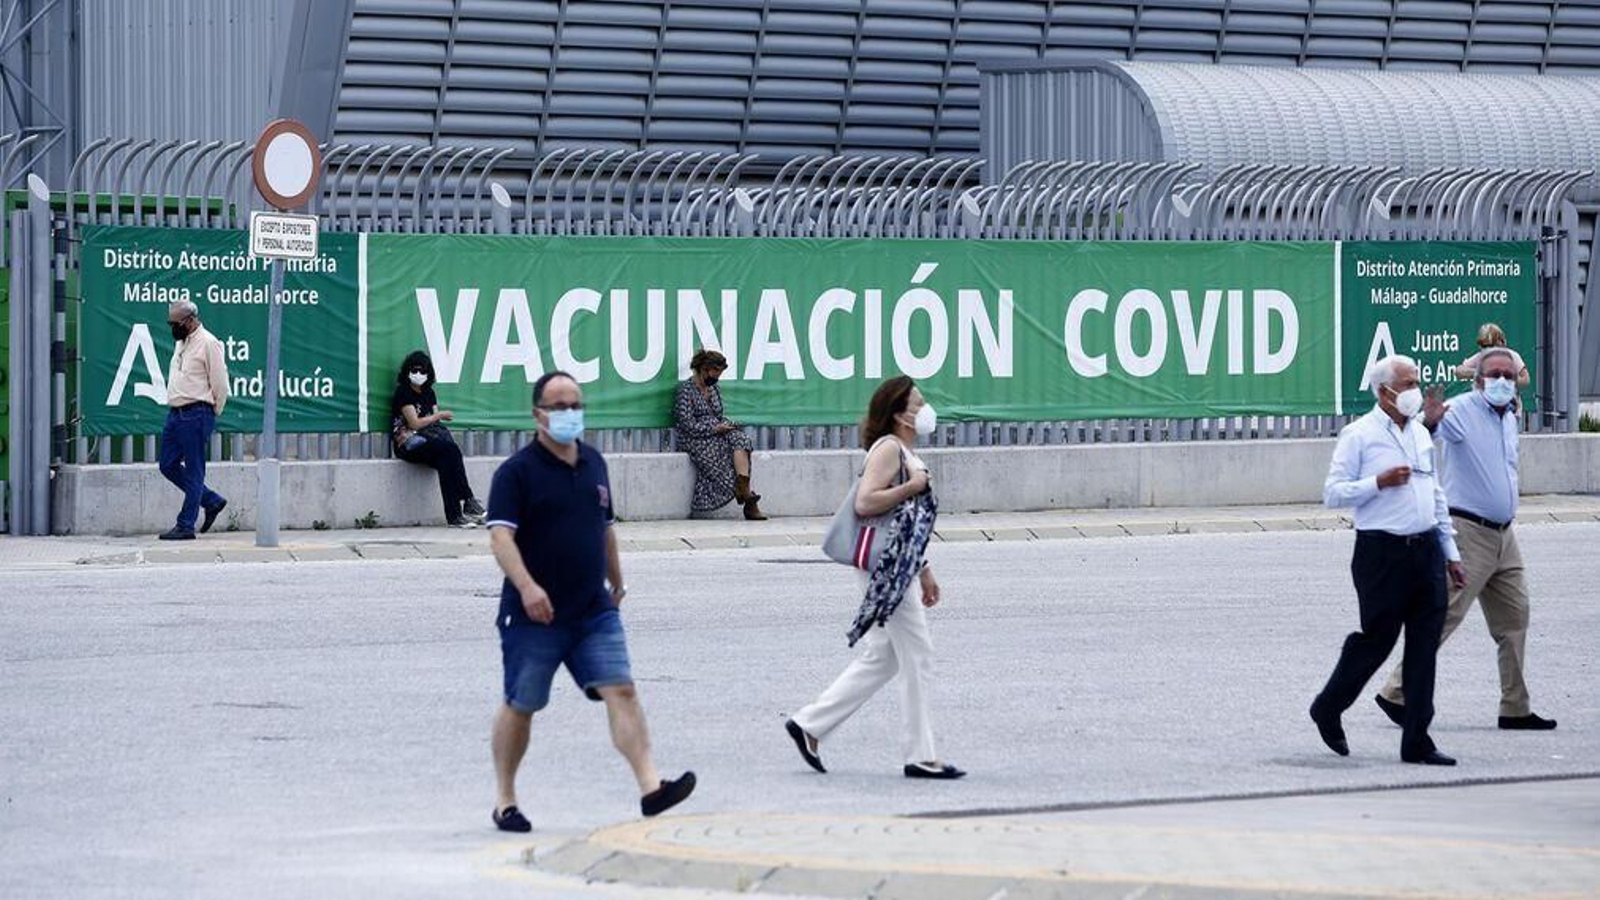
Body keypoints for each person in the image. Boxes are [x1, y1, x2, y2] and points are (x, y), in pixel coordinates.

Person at [485, 370, 696, 832]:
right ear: (538, 413)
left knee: (621, 689)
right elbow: (501, 537)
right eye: (559, 406)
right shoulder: (516, 473)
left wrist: (617, 584)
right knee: (522, 703)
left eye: (575, 404)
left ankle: (650, 787)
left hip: (592, 611)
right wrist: (527, 586)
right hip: (533, 615)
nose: (569, 414)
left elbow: (604, 529)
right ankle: (505, 799)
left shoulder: (595, 463)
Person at [785, 376, 964, 780]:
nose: (925, 409)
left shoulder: (902, 448)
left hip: (898, 566)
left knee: (882, 658)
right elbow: (867, 502)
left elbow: (904, 525)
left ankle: (810, 724)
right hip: (886, 571)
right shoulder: (888, 448)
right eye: (918, 403)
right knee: (918, 655)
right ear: (899, 413)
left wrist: (925, 569)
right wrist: (915, 485)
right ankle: (921, 755)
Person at [1374, 349, 1557, 731]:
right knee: (1442, 616)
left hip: (1505, 535)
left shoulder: (1510, 415)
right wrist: (1429, 420)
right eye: (1495, 374)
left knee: (1515, 619)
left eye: (1508, 374)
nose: (1503, 381)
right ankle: (1396, 693)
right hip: (1469, 532)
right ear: (1478, 379)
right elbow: (1427, 430)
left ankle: (1515, 707)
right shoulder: (1461, 410)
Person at [1312, 354, 1467, 766]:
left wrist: (1450, 553)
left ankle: (1417, 738)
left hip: (1426, 551)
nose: (1415, 391)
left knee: (1423, 647)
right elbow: (1333, 493)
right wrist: (1376, 483)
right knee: (1377, 641)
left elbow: (1434, 493)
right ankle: (1328, 706)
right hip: (1381, 553)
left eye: (1416, 382)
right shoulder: (1358, 435)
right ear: (1384, 392)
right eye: (1408, 383)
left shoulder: (1419, 433)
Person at [157, 300, 229, 541]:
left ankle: (185, 525)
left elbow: (220, 383)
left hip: (197, 413)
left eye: (175, 324)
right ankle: (211, 500)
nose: (172, 328)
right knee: (167, 464)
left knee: (195, 470)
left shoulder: (209, 343)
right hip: (175, 414)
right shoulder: (182, 342)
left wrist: (211, 412)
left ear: (189, 320)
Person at [391, 351, 483, 527]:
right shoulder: (403, 393)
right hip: (408, 443)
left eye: (422, 371)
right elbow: (415, 423)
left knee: (446, 459)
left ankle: (455, 516)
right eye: (414, 370)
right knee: (450, 450)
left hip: (428, 441)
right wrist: (438, 415)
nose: (418, 375)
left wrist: (436, 418)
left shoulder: (429, 393)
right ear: (407, 372)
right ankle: (468, 499)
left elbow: (433, 421)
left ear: (428, 373)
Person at [673, 349, 766, 520]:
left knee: (741, 439)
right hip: (694, 438)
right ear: (704, 369)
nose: (717, 377)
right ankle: (749, 501)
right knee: (722, 458)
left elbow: (717, 415)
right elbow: (686, 425)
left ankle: (744, 491)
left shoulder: (713, 389)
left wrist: (726, 425)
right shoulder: (686, 391)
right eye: (715, 372)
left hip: (716, 432)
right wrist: (714, 429)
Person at [1454, 323, 1530, 388]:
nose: (1489, 351)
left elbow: (1525, 380)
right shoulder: (1481, 356)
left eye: (1492, 346)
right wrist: (1478, 372)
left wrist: (1505, 378)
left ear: (1502, 342)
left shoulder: (1512, 356)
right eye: (1484, 346)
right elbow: (1458, 371)